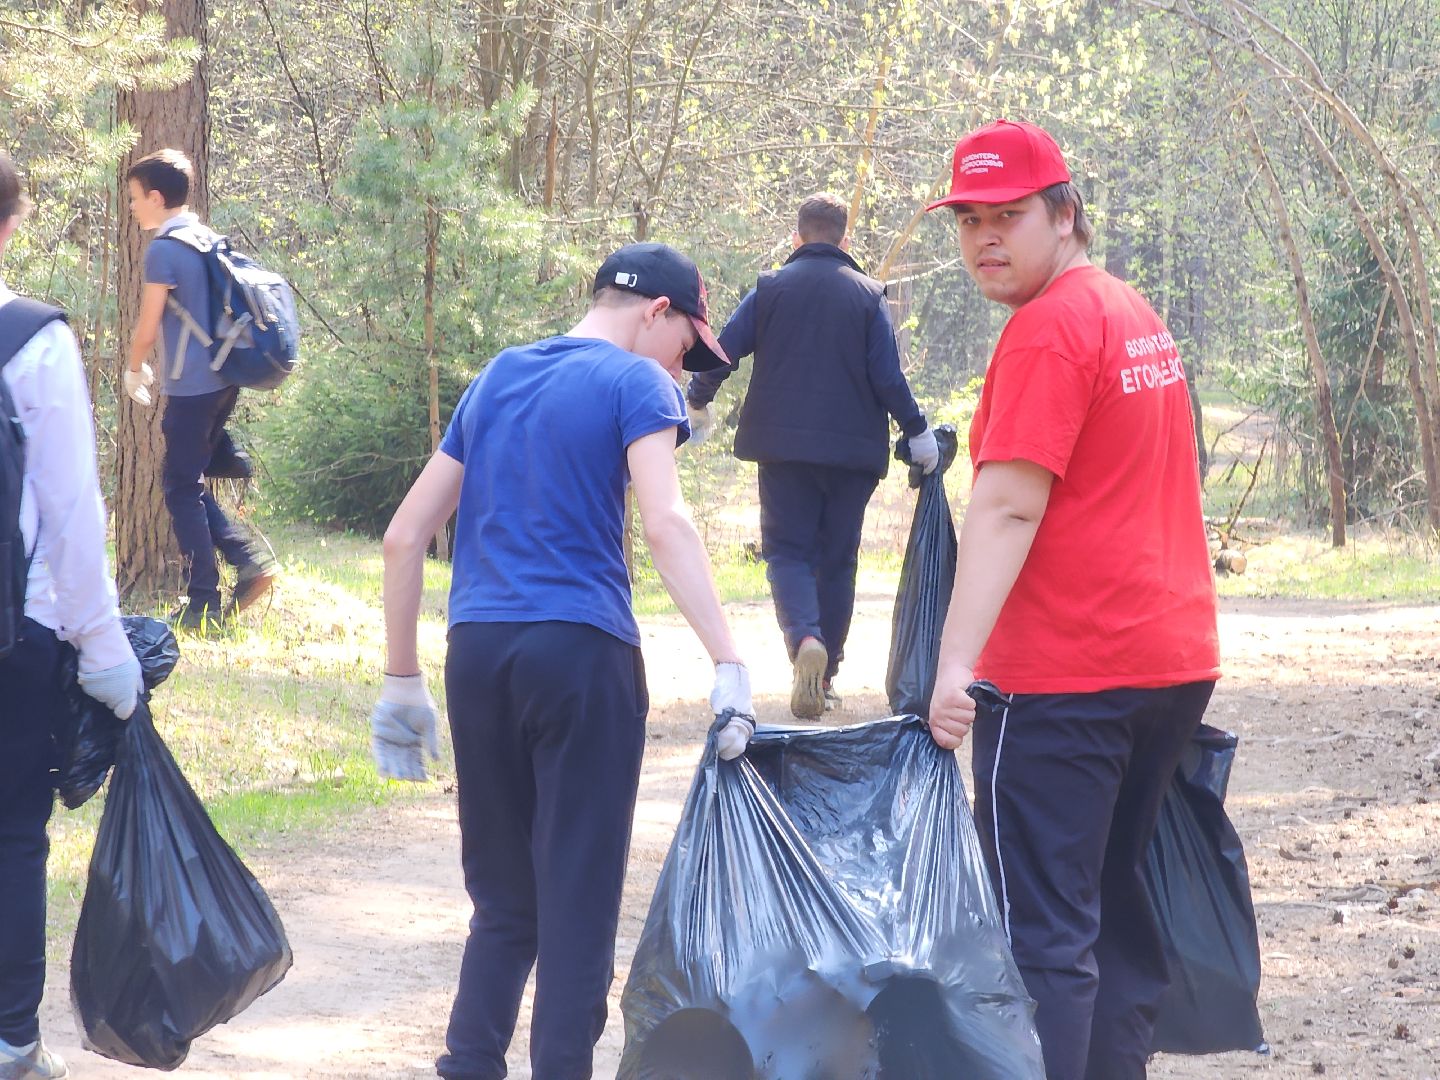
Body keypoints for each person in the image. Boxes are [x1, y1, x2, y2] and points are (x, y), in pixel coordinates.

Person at [372, 242, 756, 1080]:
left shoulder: (498, 375)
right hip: (580, 655)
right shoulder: (637, 382)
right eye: (688, 343)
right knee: (577, 905)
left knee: (504, 903)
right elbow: (665, 523)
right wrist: (728, 659)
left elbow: (406, 535)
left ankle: (469, 1064)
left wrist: (402, 680)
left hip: (476, 654)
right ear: (658, 312)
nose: (684, 366)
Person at [922, 119, 1221, 1080]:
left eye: (1007, 214)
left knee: (1039, 935)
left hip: (1064, 675)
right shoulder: (1128, 310)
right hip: (1166, 664)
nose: (984, 239)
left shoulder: (1047, 330)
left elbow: (1007, 506)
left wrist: (954, 665)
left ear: (1065, 213)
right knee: (1111, 915)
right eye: (967, 219)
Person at [685, 192, 940, 719]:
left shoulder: (772, 288)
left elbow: (724, 348)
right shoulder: (869, 295)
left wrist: (698, 396)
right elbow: (888, 379)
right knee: (838, 560)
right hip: (853, 455)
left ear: (796, 237)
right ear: (845, 240)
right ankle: (827, 677)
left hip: (782, 450)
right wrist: (917, 432)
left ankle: (804, 641)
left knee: (787, 552)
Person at [0, 151, 142, 1080]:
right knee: (10, 834)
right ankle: (11, 1042)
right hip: (13, 635)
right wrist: (102, 643)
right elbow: (68, 509)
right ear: (11, 224)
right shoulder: (29, 338)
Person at [123, 149, 273, 629]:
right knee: (187, 479)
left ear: (155, 196)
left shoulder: (164, 250)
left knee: (180, 487)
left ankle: (207, 598)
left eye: (133, 198)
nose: (131, 208)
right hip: (225, 379)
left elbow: (148, 325)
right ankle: (242, 561)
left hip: (192, 387)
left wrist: (133, 367)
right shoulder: (204, 237)